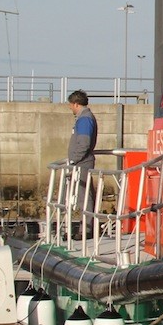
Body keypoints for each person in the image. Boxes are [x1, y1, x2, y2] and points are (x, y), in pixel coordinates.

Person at [66, 89, 98, 238]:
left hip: (82, 162)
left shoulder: (85, 119)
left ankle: (86, 229)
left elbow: (84, 143)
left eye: (71, 105)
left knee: (83, 196)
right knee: (83, 195)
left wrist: (74, 159)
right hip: (81, 161)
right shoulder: (84, 118)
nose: (70, 108)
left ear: (76, 104)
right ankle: (84, 227)